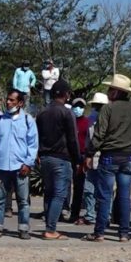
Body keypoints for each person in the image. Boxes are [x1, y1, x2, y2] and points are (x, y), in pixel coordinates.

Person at [83, 74, 131, 242]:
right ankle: (124, 233)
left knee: (104, 195)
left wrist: (89, 154)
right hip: (129, 157)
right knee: (125, 196)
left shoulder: (107, 110)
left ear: (116, 92)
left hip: (109, 157)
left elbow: (99, 135)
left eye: (110, 89)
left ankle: (100, 232)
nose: (108, 92)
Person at [0, 89, 39, 239]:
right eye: (7, 99)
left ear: (20, 103)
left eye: (12, 100)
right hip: (1, 167)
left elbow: (33, 144)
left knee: (23, 200)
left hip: (20, 167)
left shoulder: (28, 121)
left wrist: (28, 163)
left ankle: (23, 229)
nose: (8, 102)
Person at [36, 80, 81, 240]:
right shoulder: (67, 113)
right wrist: (77, 160)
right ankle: (51, 229)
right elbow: (72, 139)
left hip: (45, 157)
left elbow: (37, 136)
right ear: (66, 94)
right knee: (60, 194)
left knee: (49, 193)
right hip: (61, 157)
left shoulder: (42, 112)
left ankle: (49, 224)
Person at [77, 93, 109, 226]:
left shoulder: (110, 123)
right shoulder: (91, 122)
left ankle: (105, 216)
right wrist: (86, 157)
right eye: (95, 106)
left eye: (99, 106)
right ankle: (90, 215)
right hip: (91, 159)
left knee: (105, 190)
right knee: (89, 189)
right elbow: (88, 143)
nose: (96, 108)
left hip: (105, 159)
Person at [68, 98, 91, 222]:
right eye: (76, 106)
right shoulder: (69, 122)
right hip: (70, 155)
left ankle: (79, 212)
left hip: (83, 156)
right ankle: (69, 210)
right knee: (69, 185)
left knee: (81, 186)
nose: (78, 109)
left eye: (81, 106)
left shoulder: (87, 122)